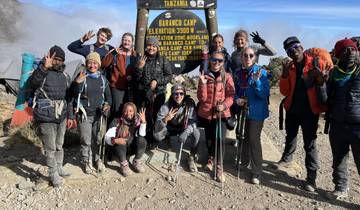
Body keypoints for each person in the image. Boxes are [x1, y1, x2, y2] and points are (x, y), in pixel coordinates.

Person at [278, 36, 328, 192]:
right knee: (290, 136)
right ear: (288, 53)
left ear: (301, 46)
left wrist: (322, 81)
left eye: (297, 47)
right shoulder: (290, 67)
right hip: (293, 109)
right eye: (290, 50)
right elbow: (284, 91)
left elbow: (325, 87)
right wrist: (285, 76)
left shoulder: (316, 63)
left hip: (309, 112)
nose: (295, 51)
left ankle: (311, 180)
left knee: (310, 145)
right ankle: (287, 159)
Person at [28, 45, 73, 187]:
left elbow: (69, 98)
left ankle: (59, 167)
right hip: (45, 116)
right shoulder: (41, 71)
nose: (57, 62)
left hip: (62, 115)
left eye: (60, 59)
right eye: (55, 58)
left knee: (59, 145)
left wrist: (70, 115)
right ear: (49, 57)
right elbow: (32, 84)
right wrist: (43, 68)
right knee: (50, 147)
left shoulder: (66, 76)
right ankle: (53, 174)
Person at [324, 38, 360, 199]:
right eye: (346, 50)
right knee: (339, 159)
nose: (350, 53)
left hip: (358, 125)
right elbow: (325, 99)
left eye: (353, 49)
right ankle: (340, 188)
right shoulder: (333, 73)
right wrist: (321, 83)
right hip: (337, 123)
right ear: (338, 55)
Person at [233, 47, 270, 185]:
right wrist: (237, 99)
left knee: (254, 139)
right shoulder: (238, 73)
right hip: (243, 110)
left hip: (257, 112)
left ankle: (257, 172)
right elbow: (234, 90)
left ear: (254, 57)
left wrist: (256, 82)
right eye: (245, 55)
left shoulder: (262, 72)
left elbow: (263, 95)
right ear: (241, 57)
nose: (248, 58)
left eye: (251, 55)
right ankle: (244, 162)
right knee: (244, 137)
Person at [71, 52, 112, 174]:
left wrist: (107, 105)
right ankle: (86, 161)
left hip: (99, 115)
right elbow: (73, 94)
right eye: (90, 63)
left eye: (95, 63)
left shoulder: (102, 79)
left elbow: (108, 96)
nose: (92, 65)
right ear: (86, 64)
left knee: (98, 139)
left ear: (98, 64)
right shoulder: (82, 76)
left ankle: (97, 159)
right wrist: (77, 83)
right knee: (86, 140)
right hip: (84, 114)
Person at [197, 51, 235, 183]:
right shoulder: (204, 75)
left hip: (221, 114)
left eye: (220, 61)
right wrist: (202, 83)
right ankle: (211, 159)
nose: (217, 63)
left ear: (223, 62)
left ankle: (219, 167)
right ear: (210, 60)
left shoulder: (227, 76)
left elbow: (231, 95)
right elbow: (201, 98)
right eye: (214, 60)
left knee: (220, 140)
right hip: (207, 113)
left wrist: (224, 106)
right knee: (209, 139)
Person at [134, 37, 173, 145]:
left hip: (158, 94)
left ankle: (156, 139)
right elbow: (136, 78)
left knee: (157, 117)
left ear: (157, 47)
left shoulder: (162, 60)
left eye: (154, 46)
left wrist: (157, 81)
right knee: (145, 117)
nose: (151, 48)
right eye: (149, 45)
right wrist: (139, 68)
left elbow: (169, 76)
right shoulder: (141, 59)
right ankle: (145, 140)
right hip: (143, 94)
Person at [153, 84, 200, 172]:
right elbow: (157, 126)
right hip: (169, 128)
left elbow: (194, 122)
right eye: (176, 94)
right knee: (157, 135)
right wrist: (165, 119)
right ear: (172, 94)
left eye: (181, 94)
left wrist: (187, 131)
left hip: (183, 128)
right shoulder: (166, 106)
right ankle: (167, 140)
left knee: (196, 133)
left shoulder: (189, 104)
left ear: (184, 94)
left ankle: (192, 156)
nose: (179, 96)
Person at [102, 32, 137, 126]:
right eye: (125, 40)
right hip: (117, 86)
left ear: (132, 42)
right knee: (117, 111)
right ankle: (111, 133)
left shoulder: (135, 55)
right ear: (122, 41)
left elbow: (137, 70)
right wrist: (113, 53)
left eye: (129, 40)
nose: (126, 42)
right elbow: (104, 64)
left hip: (130, 87)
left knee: (129, 112)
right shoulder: (115, 52)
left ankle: (125, 133)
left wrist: (132, 76)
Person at [104, 102, 147, 176]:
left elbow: (142, 134)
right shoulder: (117, 121)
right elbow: (107, 137)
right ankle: (124, 164)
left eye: (130, 111)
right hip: (120, 149)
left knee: (142, 140)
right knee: (121, 140)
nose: (128, 113)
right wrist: (115, 140)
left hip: (131, 147)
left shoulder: (137, 121)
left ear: (134, 112)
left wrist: (143, 122)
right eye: (125, 111)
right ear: (123, 112)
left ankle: (136, 161)